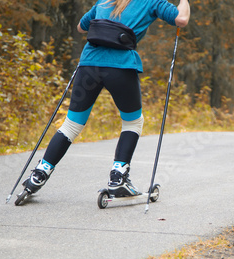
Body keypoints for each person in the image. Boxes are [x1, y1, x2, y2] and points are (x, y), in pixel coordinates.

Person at [20, 0, 190, 199]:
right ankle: (118, 177)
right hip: (121, 67)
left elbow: (81, 27)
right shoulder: (152, 1)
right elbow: (182, 19)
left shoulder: (105, 0)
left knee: (71, 125)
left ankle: (39, 175)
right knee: (133, 122)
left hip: (89, 65)